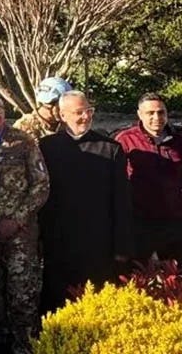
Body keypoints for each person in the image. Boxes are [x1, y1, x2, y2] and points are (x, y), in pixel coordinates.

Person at [0, 87, 50, 354]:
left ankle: (25, 347)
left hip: (20, 235)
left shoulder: (23, 141)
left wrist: (16, 219)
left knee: (23, 296)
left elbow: (41, 185)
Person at [37, 91, 132, 315]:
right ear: (62, 115)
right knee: (57, 306)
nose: (85, 117)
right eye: (78, 113)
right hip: (58, 243)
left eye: (89, 111)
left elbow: (121, 202)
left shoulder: (110, 148)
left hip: (98, 245)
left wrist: (122, 247)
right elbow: (40, 196)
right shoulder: (46, 147)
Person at [114, 93, 182, 266]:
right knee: (140, 279)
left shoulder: (179, 143)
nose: (156, 117)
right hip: (139, 225)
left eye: (161, 112)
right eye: (150, 113)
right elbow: (113, 186)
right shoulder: (125, 141)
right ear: (139, 114)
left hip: (174, 224)